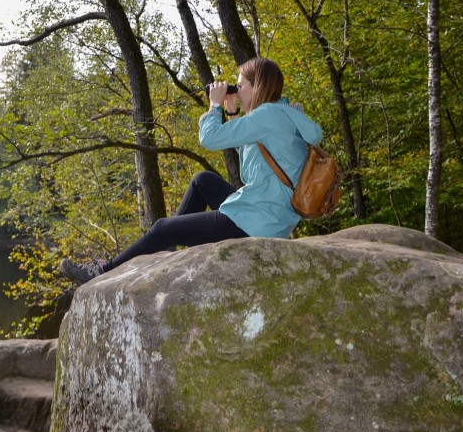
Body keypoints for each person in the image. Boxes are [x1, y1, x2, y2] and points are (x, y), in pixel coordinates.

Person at [60, 57, 322, 285]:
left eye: (240, 85)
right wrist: (232, 111)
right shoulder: (282, 115)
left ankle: (103, 271)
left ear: (258, 86)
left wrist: (214, 106)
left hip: (256, 221)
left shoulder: (267, 115)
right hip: (270, 215)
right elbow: (250, 160)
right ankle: (169, 247)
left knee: (162, 227)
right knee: (202, 180)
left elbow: (210, 139)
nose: (237, 90)